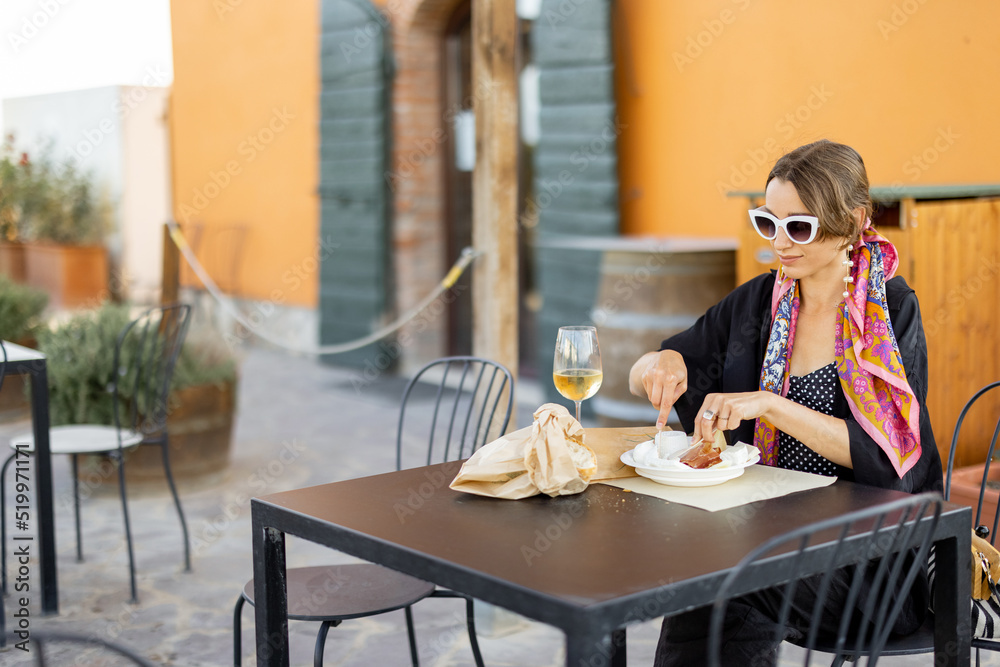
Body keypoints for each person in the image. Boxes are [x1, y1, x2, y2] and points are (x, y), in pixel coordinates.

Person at [628, 139, 943, 666]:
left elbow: (888, 456)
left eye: (799, 227)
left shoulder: (890, 314)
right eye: (767, 222)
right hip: (771, 529)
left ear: (855, 220)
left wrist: (771, 406)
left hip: (871, 556)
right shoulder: (759, 301)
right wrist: (661, 366)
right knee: (708, 567)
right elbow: (656, 363)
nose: (780, 242)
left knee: (720, 574)